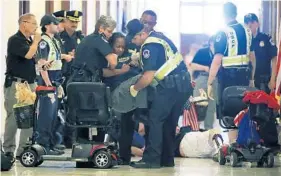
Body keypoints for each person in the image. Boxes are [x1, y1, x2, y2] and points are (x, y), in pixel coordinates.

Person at [129, 20, 193, 168]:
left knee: (155, 120)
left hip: (169, 87)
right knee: (169, 122)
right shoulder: (160, 37)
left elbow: (148, 76)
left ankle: (151, 160)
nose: (134, 42)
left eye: (134, 38)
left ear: (142, 33)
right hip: (182, 86)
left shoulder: (149, 46)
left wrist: (134, 89)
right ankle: (166, 159)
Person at [68, 15, 118, 146]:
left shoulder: (87, 39)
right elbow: (112, 63)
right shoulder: (99, 40)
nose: (110, 35)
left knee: (83, 116)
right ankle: (96, 146)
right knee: (96, 115)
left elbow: (99, 69)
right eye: (109, 31)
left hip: (79, 81)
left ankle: (83, 145)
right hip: (89, 83)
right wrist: (116, 55)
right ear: (101, 29)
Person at [103, 32, 146, 165]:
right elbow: (104, 73)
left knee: (133, 125)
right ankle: (123, 156)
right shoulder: (108, 57)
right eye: (117, 46)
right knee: (121, 127)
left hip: (134, 94)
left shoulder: (131, 55)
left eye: (123, 46)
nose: (121, 49)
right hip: (117, 96)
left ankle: (129, 157)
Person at [3, 13, 41, 159]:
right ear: (24, 23)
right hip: (16, 84)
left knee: (29, 118)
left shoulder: (29, 41)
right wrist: (36, 41)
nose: (36, 27)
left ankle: (23, 149)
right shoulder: (15, 40)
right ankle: (8, 150)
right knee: (13, 117)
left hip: (29, 84)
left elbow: (33, 59)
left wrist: (42, 66)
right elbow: (27, 55)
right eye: (33, 24)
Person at [207, 2, 256, 110]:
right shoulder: (247, 31)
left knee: (227, 109)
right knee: (243, 108)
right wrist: (252, 78)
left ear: (223, 14)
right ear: (235, 13)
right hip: (245, 76)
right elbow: (252, 57)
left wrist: (210, 83)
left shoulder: (223, 32)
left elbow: (217, 60)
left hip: (228, 78)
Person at [35, 14, 70, 155]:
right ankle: (43, 145)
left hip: (55, 79)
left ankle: (50, 143)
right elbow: (42, 63)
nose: (58, 26)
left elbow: (53, 57)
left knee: (53, 115)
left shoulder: (53, 40)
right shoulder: (43, 41)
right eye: (55, 24)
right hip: (47, 80)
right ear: (47, 25)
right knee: (46, 115)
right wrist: (48, 84)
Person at [61, 10, 84, 148]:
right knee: (61, 109)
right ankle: (62, 138)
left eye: (76, 21)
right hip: (62, 76)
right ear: (65, 21)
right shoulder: (59, 37)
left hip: (76, 77)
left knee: (75, 108)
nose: (74, 24)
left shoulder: (81, 37)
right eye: (71, 21)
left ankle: (73, 138)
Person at [244, 13, 278, 93]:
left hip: (263, 80)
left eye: (252, 22)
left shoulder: (265, 38)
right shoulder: (244, 40)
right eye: (247, 23)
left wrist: (273, 79)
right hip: (247, 80)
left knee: (263, 103)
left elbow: (274, 59)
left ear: (258, 23)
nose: (249, 25)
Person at [190, 36, 217, 129]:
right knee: (199, 104)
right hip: (202, 77)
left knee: (211, 108)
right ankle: (195, 129)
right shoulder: (202, 51)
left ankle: (208, 130)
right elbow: (192, 65)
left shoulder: (220, 53)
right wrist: (205, 68)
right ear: (210, 43)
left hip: (215, 80)